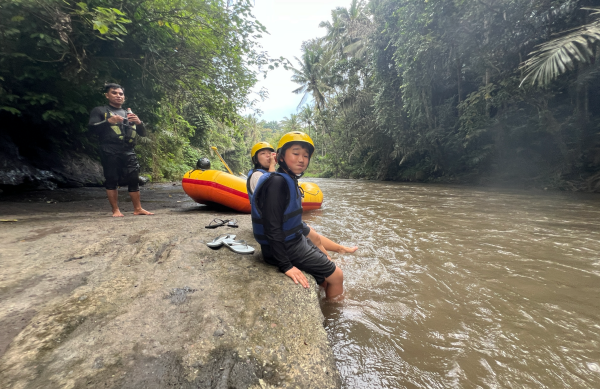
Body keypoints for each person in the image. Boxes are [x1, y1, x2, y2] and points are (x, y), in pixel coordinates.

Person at [248, 132, 345, 300]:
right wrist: (286, 266)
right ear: (281, 157)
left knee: (324, 277)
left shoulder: (287, 179)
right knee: (337, 276)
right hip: (284, 247)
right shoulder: (277, 183)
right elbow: (271, 226)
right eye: (296, 153)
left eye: (306, 155)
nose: (302, 159)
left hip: (293, 240)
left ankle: (326, 299)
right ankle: (336, 313)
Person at [247, 141, 357, 260]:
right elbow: (271, 189)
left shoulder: (277, 175)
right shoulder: (258, 176)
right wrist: (273, 165)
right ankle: (330, 262)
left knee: (314, 235)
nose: (268, 155)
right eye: (263, 153)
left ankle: (338, 251)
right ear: (256, 160)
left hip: (282, 220)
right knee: (311, 235)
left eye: (270, 153)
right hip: (272, 224)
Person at [88, 83, 153, 217]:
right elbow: (91, 129)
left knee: (134, 179)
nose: (118, 96)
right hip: (109, 148)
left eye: (121, 94)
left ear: (124, 97)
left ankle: (138, 208)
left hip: (128, 149)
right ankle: (116, 210)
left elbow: (143, 133)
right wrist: (108, 121)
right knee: (111, 178)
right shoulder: (99, 111)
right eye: (114, 93)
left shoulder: (128, 113)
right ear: (107, 95)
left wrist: (139, 122)